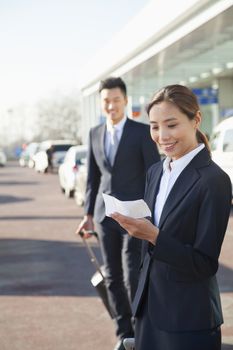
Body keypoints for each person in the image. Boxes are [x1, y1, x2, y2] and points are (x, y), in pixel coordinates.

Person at [111, 84, 232, 350]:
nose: (162, 135)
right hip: (148, 311)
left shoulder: (214, 181)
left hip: (188, 319)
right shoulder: (156, 171)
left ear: (196, 120)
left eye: (171, 125)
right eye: (154, 126)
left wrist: (152, 235)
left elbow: (204, 264)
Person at [76, 77, 160, 350]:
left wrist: (150, 212)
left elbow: (154, 175)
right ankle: (123, 332)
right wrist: (88, 213)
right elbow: (93, 178)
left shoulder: (141, 132)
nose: (110, 106)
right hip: (104, 217)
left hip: (134, 217)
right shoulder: (94, 133)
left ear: (125, 100)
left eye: (115, 100)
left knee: (132, 275)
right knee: (111, 277)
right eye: (105, 101)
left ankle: (141, 329)